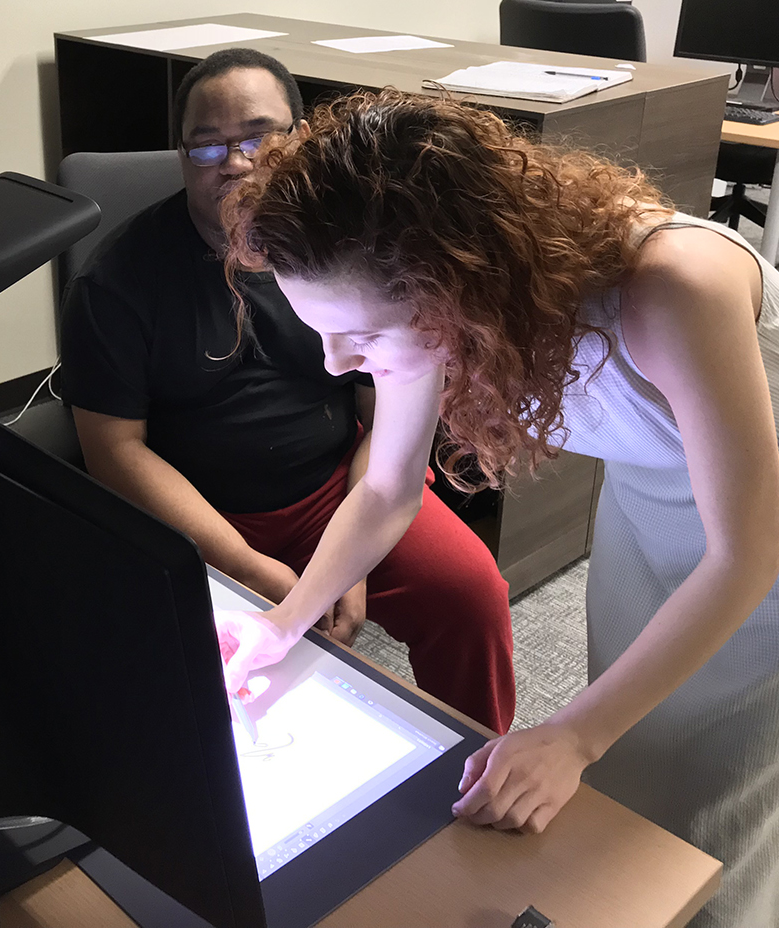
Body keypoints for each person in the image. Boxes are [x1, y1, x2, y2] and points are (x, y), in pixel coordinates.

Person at [216, 89, 779, 928]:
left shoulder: (673, 287)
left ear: (455, 284)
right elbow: (389, 490)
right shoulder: (431, 296)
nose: (333, 364)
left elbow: (747, 553)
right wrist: (285, 623)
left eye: (360, 336)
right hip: (655, 485)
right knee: (639, 745)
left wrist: (572, 737)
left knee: (738, 781)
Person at [59, 50, 515, 732]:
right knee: (195, 684)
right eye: (206, 144)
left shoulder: (347, 256)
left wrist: (347, 557)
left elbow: (378, 411)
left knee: (471, 592)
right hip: (201, 518)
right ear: (181, 154)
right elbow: (114, 451)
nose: (234, 161)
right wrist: (243, 562)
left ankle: (475, 757)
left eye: (257, 136)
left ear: (300, 139)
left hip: (343, 489)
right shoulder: (114, 282)